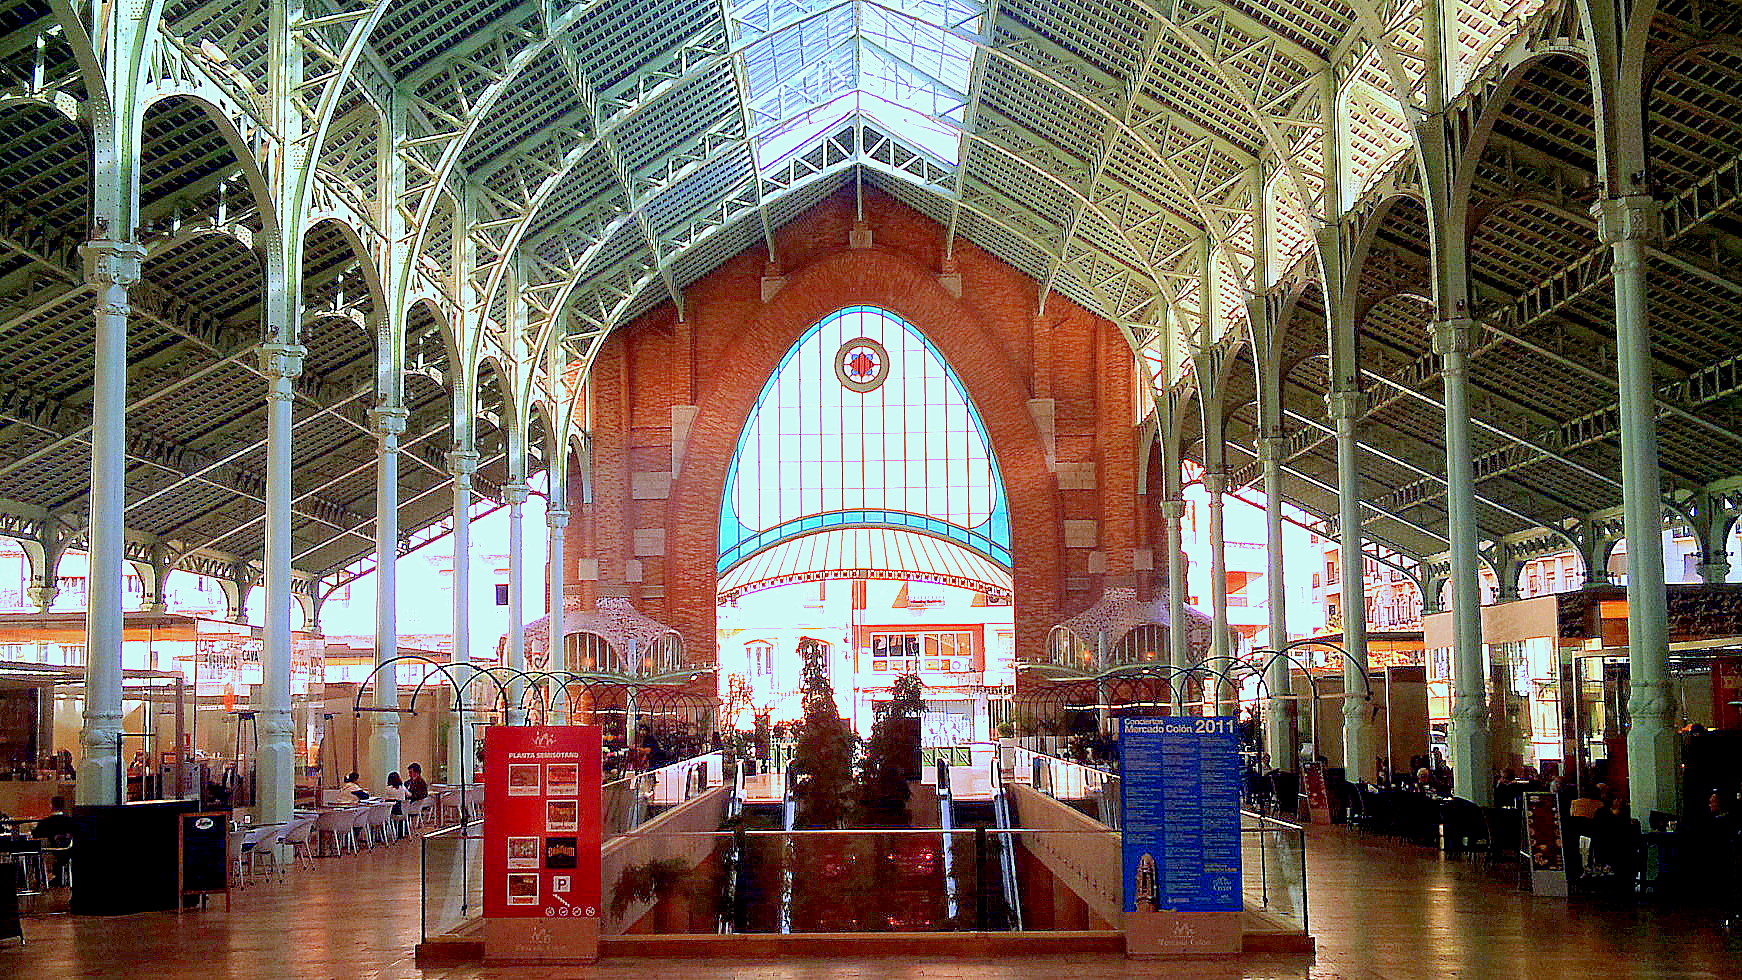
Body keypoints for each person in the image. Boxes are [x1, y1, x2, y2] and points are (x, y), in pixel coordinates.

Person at [31, 796, 75, 886]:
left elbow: (35, 837)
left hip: (49, 854)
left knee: (35, 852)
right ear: (63, 806)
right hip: (68, 852)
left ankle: (41, 879)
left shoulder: (44, 823)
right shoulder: (71, 821)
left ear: (51, 806)